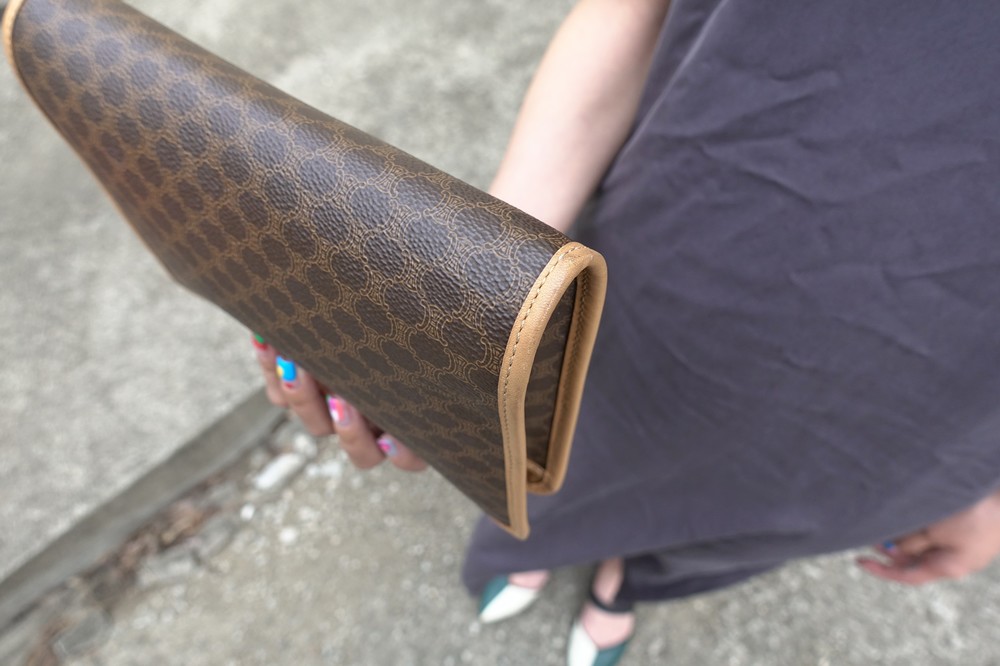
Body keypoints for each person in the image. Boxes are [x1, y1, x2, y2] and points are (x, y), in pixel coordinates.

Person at [252, 1, 1000, 664]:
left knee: (754, 511)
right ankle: (549, 540)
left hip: (938, 410)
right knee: (576, 439)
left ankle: (628, 578)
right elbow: (633, 8)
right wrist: (472, 279)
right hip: (670, 263)